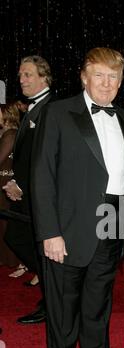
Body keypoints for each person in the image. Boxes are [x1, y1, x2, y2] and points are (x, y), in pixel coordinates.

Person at [31, 47, 124, 348]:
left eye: (114, 77)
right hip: (67, 233)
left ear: (121, 81)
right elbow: (42, 175)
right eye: (100, 75)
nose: (107, 84)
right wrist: (50, 233)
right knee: (63, 319)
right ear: (84, 76)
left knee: (97, 314)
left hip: (112, 230)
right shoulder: (58, 112)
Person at [2, 55, 53, 324]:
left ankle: (53, 298)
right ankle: (52, 290)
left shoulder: (50, 108)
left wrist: (23, 186)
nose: (22, 80)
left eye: (28, 74)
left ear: (44, 77)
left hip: (39, 195)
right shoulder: (33, 108)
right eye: (21, 75)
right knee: (17, 237)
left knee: (31, 243)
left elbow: (47, 158)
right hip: (26, 192)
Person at [0, 102, 21, 268]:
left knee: (6, 223)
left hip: (6, 182)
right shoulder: (7, 133)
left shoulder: (11, 134)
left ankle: (12, 260)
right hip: (4, 180)